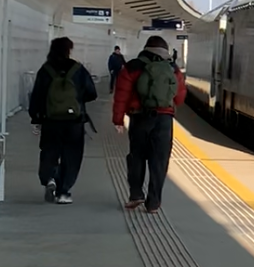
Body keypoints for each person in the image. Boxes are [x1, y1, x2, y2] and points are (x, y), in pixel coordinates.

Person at [112, 35, 187, 213]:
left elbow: (121, 95)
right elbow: (180, 97)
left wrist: (118, 119)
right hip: (164, 119)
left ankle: (136, 194)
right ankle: (153, 202)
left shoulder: (132, 67)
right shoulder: (173, 68)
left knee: (137, 156)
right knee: (159, 161)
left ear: (145, 48)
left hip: (139, 118)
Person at [28, 37, 98, 204]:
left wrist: (35, 117)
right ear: (69, 50)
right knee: (72, 155)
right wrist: (77, 100)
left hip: (50, 120)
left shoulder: (45, 70)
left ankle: (49, 178)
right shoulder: (78, 69)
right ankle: (63, 192)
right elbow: (92, 93)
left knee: (49, 151)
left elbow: (36, 96)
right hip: (74, 121)